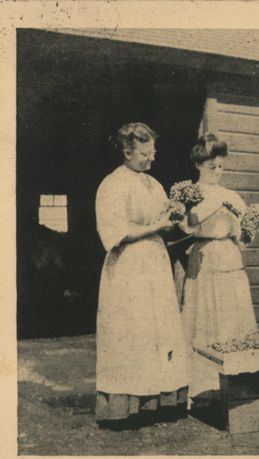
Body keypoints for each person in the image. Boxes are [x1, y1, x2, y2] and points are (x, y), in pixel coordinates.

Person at [94, 122, 188, 427]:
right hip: (128, 266)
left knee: (158, 329)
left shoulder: (154, 184)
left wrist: (179, 217)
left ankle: (156, 401)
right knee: (132, 330)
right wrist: (157, 227)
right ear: (127, 151)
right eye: (145, 154)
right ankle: (125, 406)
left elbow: (165, 222)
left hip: (155, 263)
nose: (151, 159)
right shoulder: (112, 184)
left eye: (153, 153)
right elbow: (115, 233)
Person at [179, 133, 257, 398]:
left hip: (229, 254)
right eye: (212, 167)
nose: (218, 171)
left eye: (221, 166)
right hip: (204, 254)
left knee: (231, 314)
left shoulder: (232, 196)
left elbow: (242, 239)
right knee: (205, 314)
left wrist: (250, 225)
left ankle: (236, 384)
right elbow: (187, 226)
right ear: (199, 165)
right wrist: (213, 208)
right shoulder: (190, 193)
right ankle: (205, 388)